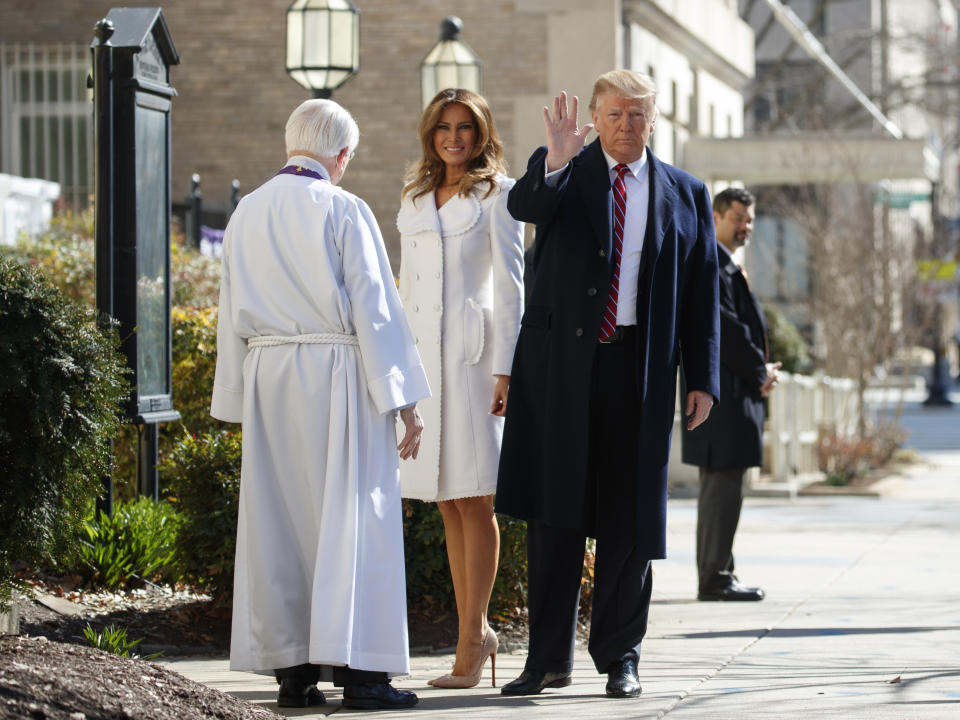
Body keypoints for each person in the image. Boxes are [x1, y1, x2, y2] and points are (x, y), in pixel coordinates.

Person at [495, 69, 721, 699]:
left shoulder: (686, 192)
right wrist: (557, 162)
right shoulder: (563, 170)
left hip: (638, 371)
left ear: (655, 120)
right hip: (561, 371)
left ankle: (621, 655)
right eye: (615, 114)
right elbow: (522, 209)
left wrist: (701, 377)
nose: (627, 126)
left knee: (629, 524)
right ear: (594, 117)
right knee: (556, 516)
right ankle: (546, 660)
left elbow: (702, 289)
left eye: (638, 115)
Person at [210, 98, 431, 711]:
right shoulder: (344, 208)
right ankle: (363, 675)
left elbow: (230, 311)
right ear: (341, 155)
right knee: (355, 518)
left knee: (280, 524)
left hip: (268, 376)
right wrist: (405, 400)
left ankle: (294, 673)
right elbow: (376, 308)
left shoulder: (245, 212)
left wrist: (234, 396)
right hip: (338, 372)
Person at [397, 88, 525, 689]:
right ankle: (474, 628)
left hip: (474, 364)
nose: (454, 137)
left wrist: (506, 369)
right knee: (446, 500)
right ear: (431, 134)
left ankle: (471, 640)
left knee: (476, 496)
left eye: (465, 128)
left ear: (481, 135)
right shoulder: (414, 199)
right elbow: (401, 289)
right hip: (423, 363)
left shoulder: (496, 196)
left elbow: (511, 287)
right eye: (444, 127)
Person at [681, 187, 781, 602]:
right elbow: (726, 328)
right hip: (724, 396)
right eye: (738, 218)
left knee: (721, 490)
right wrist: (759, 370)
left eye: (750, 220)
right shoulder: (711, 264)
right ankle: (716, 578)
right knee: (723, 490)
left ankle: (718, 572)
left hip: (727, 394)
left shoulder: (723, 263)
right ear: (716, 216)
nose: (746, 227)